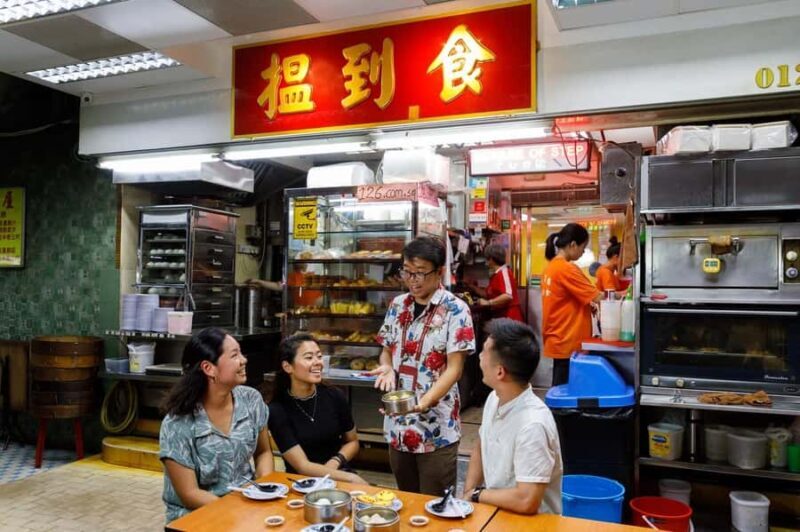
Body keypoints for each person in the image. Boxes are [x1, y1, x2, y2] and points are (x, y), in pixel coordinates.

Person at [369, 236, 476, 496]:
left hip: (436, 427)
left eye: (420, 273)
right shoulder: (397, 306)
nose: (412, 280)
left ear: (439, 272)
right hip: (398, 425)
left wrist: (427, 400)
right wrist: (386, 367)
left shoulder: (456, 310)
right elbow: (386, 351)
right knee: (406, 498)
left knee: (434, 503)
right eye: (407, 272)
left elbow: (455, 368)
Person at [159, 328, 273, 523]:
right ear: (208, 368)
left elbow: (263, 452)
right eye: (234, 355)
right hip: (196, 515)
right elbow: (189, 493)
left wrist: (264, 488)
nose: (244, 360)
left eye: (241, 353)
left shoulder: (251, 399)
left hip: (246, 505)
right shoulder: (177, 423)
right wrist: (236, 512)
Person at [464, 318, 563, 515]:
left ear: (500, 372)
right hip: (497, 514)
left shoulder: (532, 425)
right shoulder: (495, 397)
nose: (480, 357)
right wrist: (467, 493)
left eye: (483, 352)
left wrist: (477, 495)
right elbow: (481, 445)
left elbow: (526, 500)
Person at [267, 332, 367, 485]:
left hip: (340, 475)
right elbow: (302, 466)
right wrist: (352, 478)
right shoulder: (277, 409)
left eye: (319, 356)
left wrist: (335, 462)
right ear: (287, 366)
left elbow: (352, 442)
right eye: (308, 357)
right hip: (303, 483)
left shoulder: (334, 395)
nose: (318, 362)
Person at [542, 223, 603, 386]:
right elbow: (597, 296)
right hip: (568, 338)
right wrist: (623, 295)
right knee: (566, 393)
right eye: (583, 248)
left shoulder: (551, 267)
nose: (582, 252)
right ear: (573, 244)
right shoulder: (566, 268)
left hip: (558, 337)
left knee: (560, 389)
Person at [470, 244, 524, 322]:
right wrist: (472, 287)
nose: (486, 261)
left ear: (491, 259)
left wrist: (488, 303)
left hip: (510, 318)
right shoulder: (496, 275)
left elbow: (508, 296)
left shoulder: (504, 272)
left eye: (487, 258)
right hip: (501, 318)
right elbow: (487, 294)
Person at [247, 263, 321, 306]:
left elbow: (278, 286)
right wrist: (259, 282)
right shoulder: (312, 276)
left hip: (306, 311)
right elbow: (279, 285)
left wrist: (259, 282)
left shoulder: (295, 277)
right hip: (309, 311)